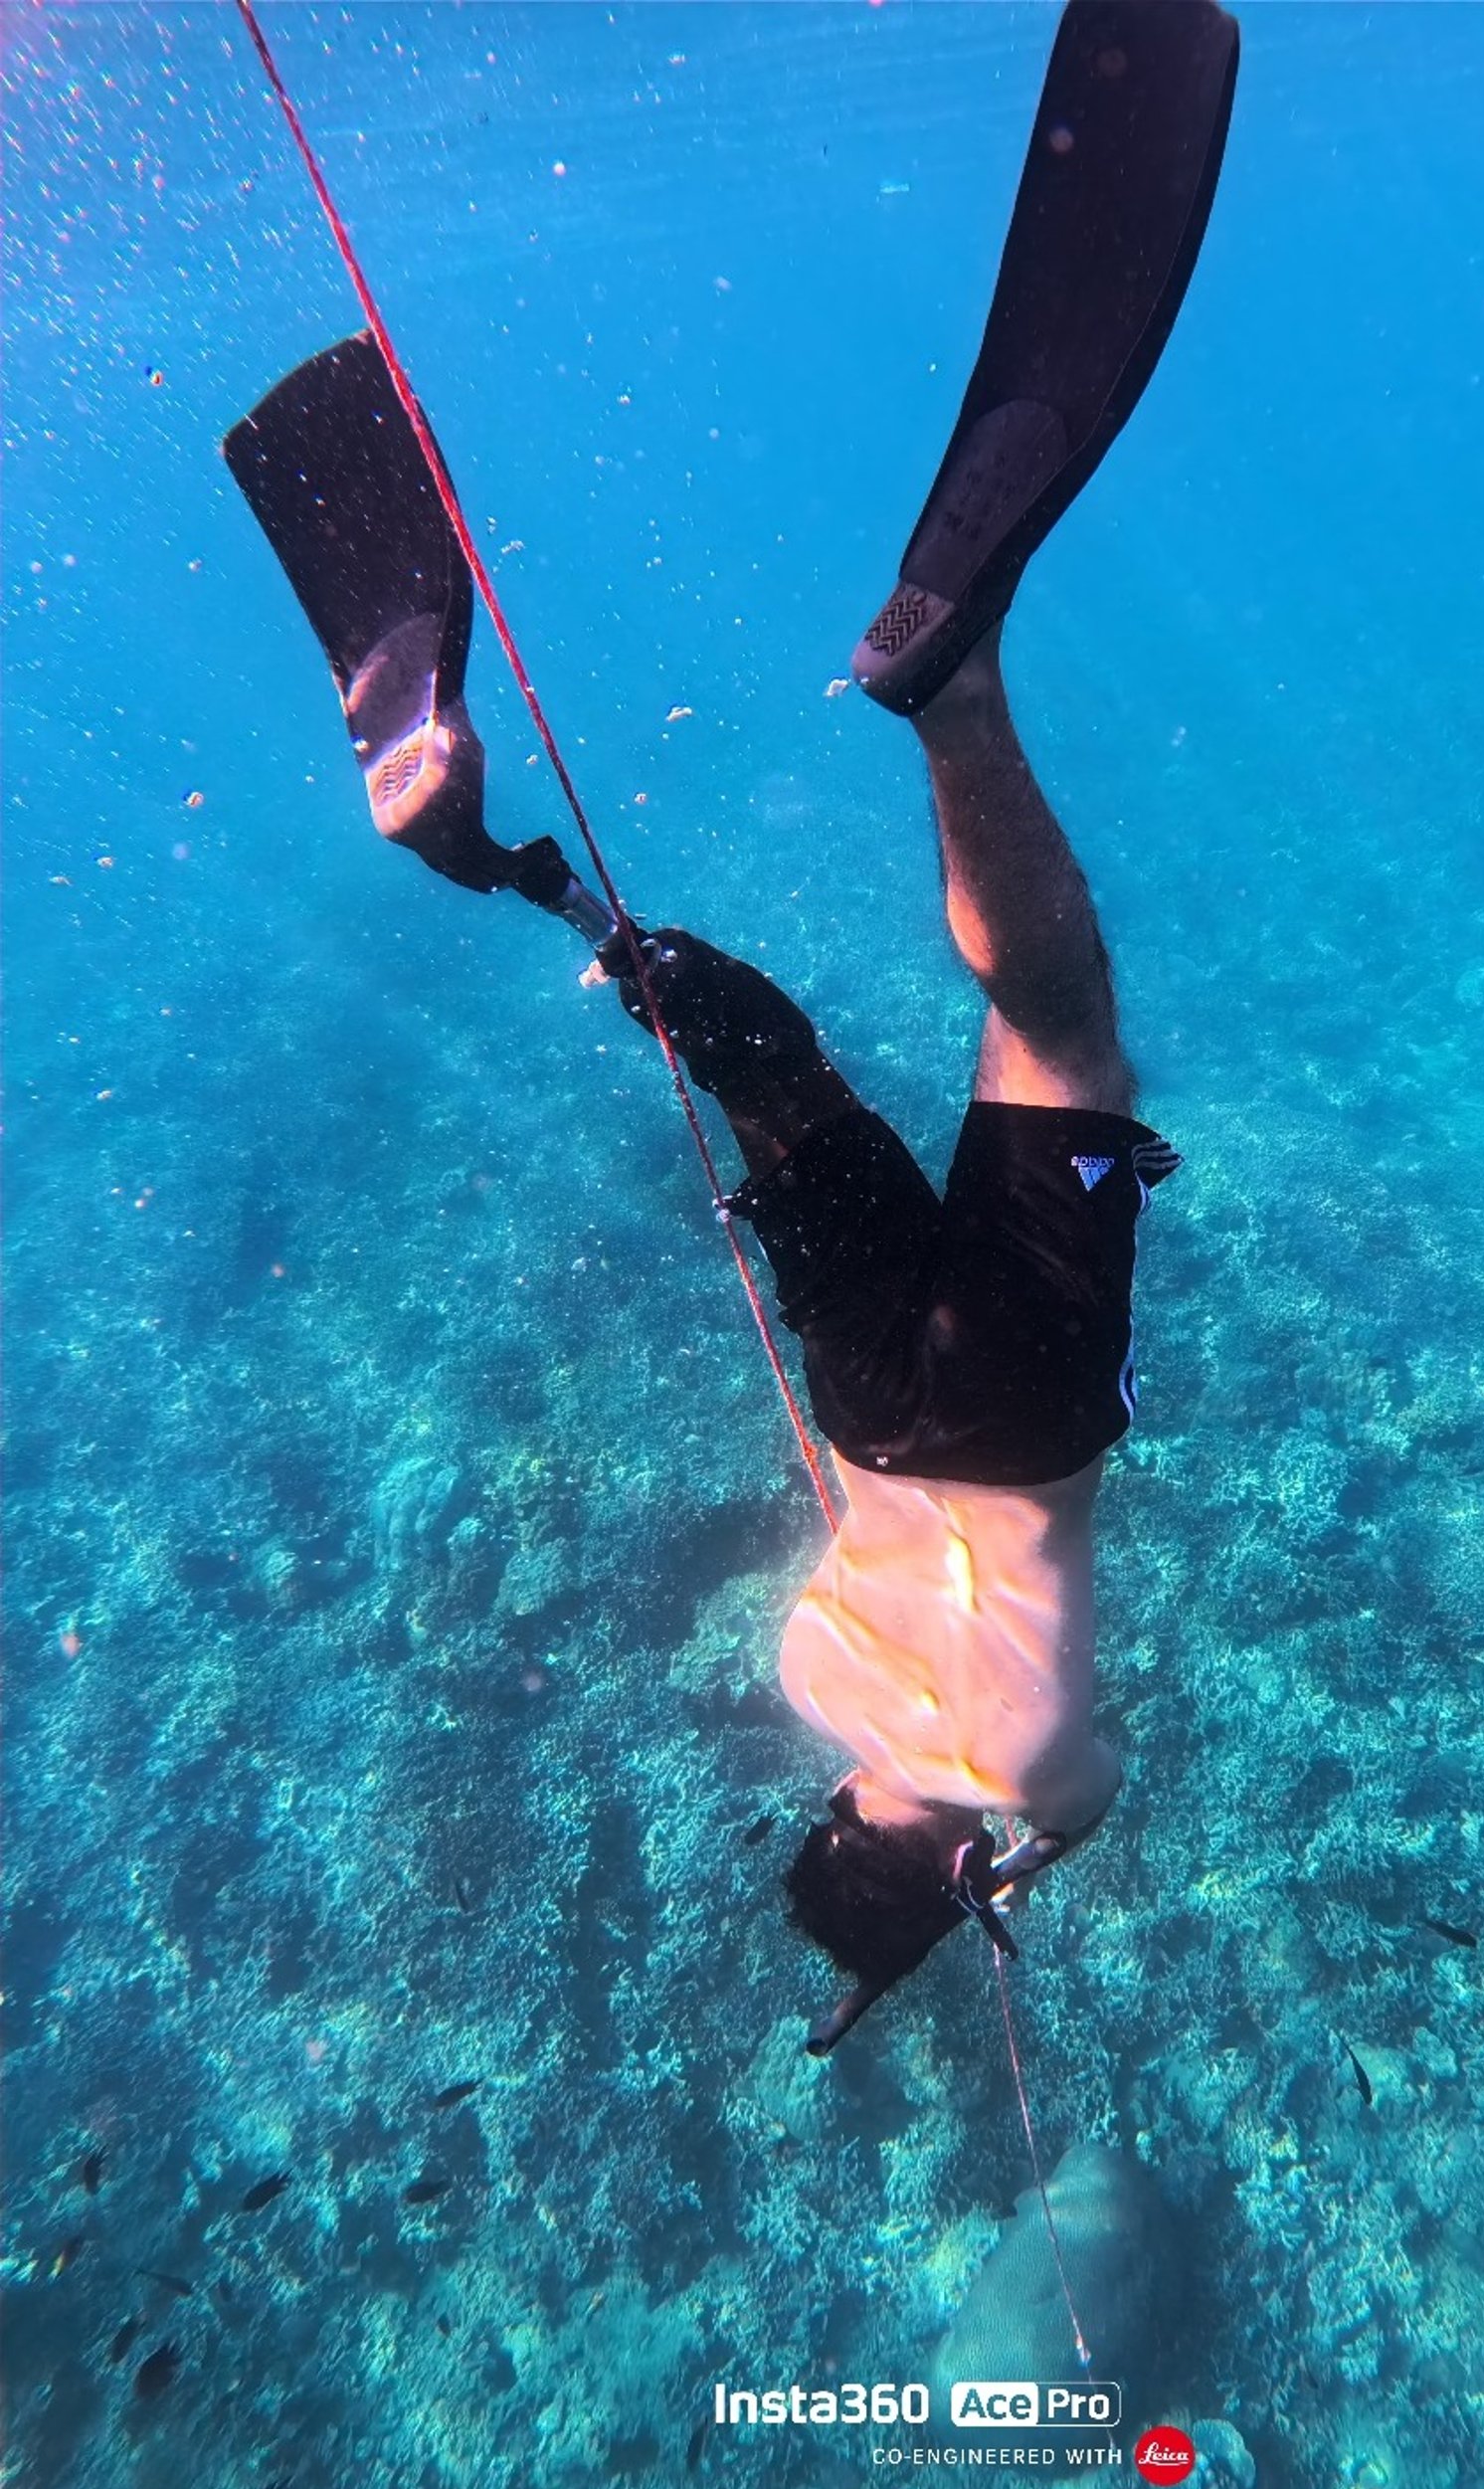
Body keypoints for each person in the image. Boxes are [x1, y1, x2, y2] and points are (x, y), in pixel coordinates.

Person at [225, 0, 1238, 2051]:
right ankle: (545, 889)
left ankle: (955, 694)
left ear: (945, 1870)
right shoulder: (812, 1682)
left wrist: (1007, 1864)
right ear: (829, 1823)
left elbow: (1079, 1798)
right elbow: (890, 1691)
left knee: (1053, 1014)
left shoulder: (1035, 1783)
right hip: (879, 1393)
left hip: (1031, 1411)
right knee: (777, 1091)